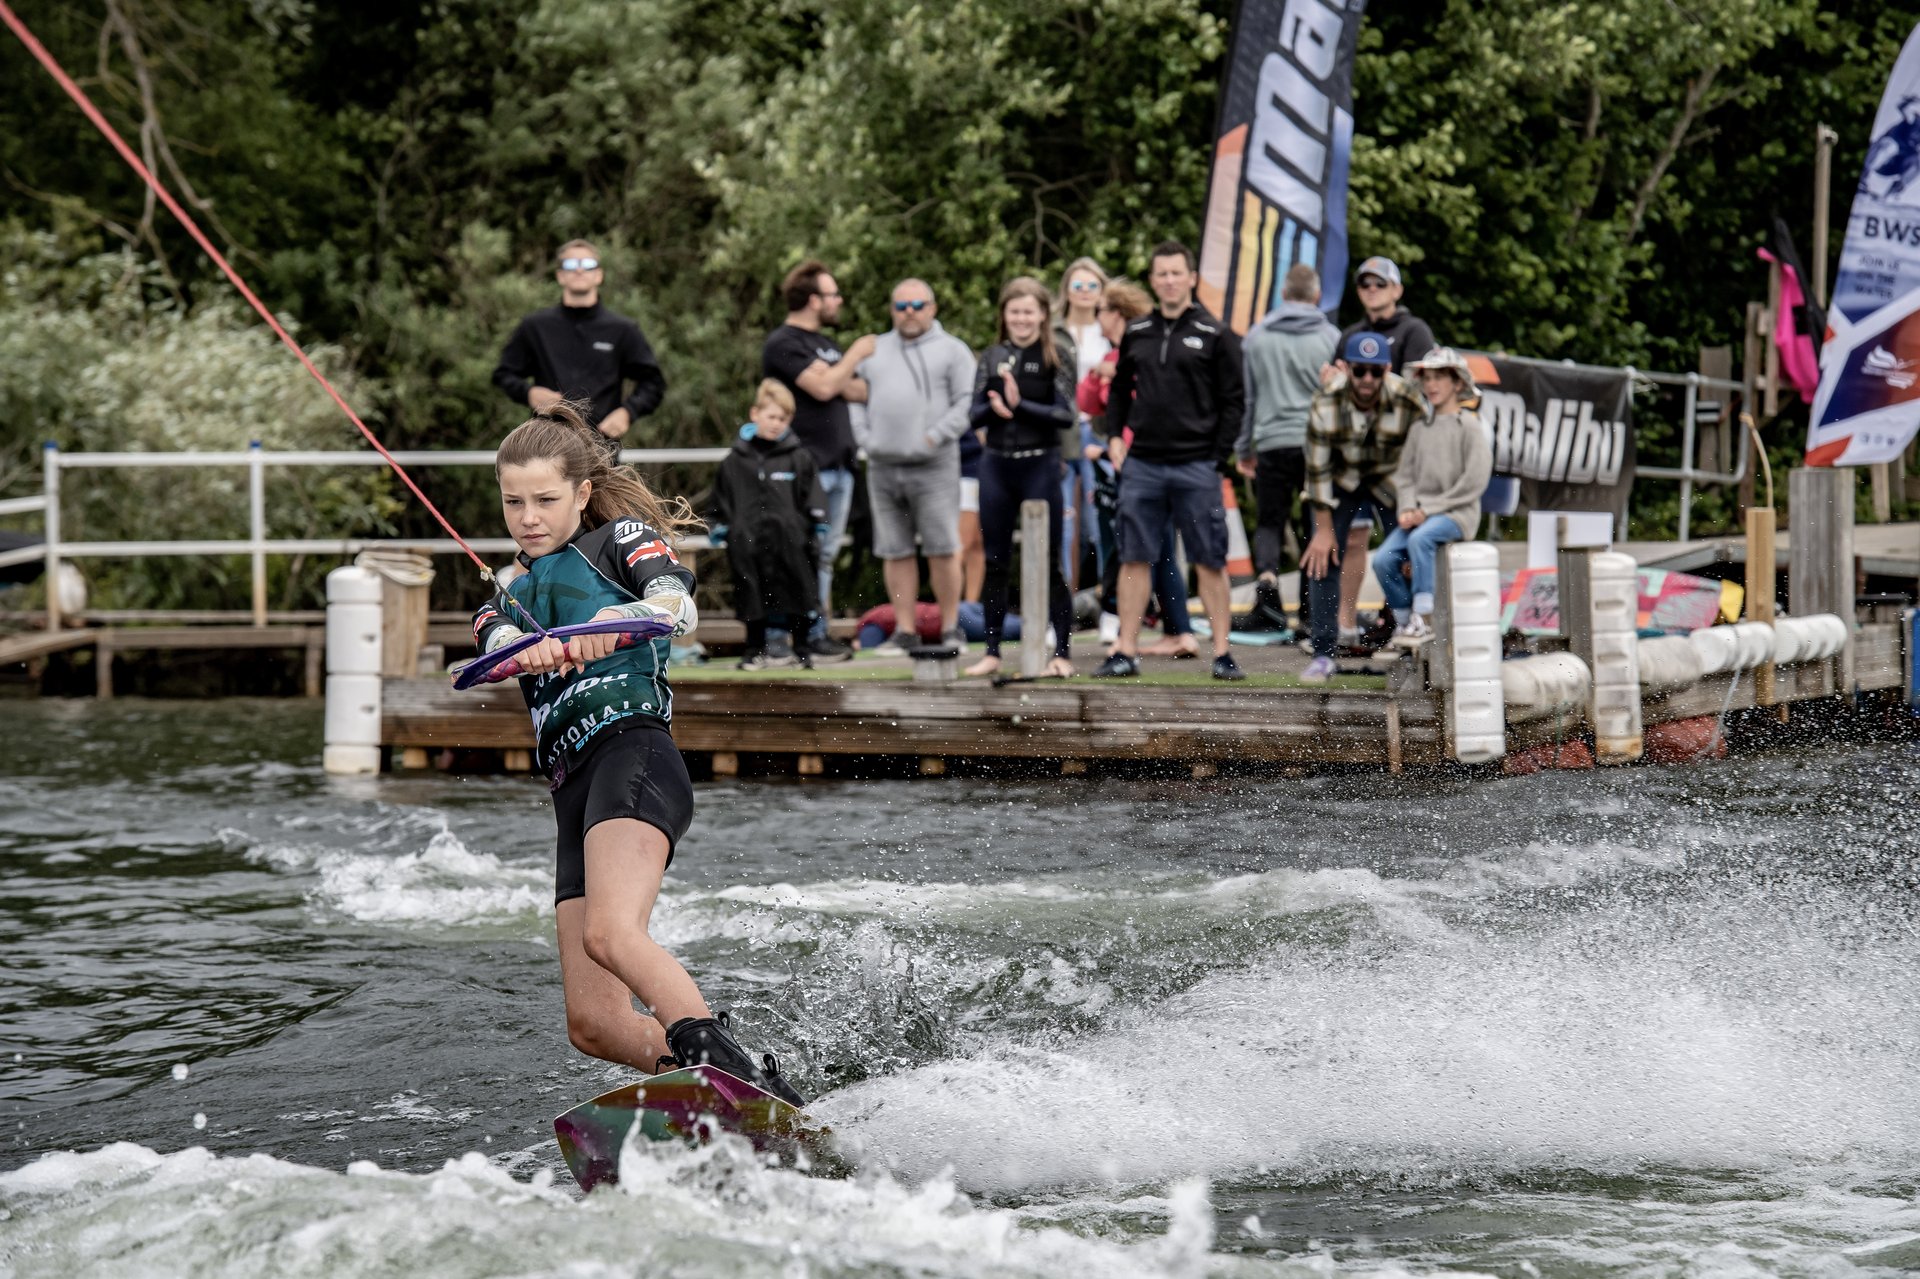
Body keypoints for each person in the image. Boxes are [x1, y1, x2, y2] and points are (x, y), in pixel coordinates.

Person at [470, 399, 802, 1106]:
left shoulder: (620, 538)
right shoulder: (506, 592)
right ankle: (732, 1090)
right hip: (572, 793)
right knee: (593, 1023)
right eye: (513, 502)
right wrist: (528, 649)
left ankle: (732, 1079)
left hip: (633, 755)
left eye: (545, 499)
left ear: (582, 492)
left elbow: (676, 606)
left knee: (613, 933)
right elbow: (490, 650)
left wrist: (611, 622)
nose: (528, 516)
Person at [1094, 240, 1246, 682]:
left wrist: (1217, 458)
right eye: (1161, 274)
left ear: (1192, 278)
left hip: (1196, 464)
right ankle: (1125, 649)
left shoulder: (1216, 334)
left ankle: (1222, 653)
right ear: (1153, 280)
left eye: (1176, 273)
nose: (1169, 280)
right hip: (1142, 463)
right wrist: (1114, 438)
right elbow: (1120, 389)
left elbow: (1234, 402)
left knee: (1210, 559)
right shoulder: (1138, 331)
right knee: (1134, 556)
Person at [850, 279, 977, 656]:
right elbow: (852, 397)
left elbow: (967, 402)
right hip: (883, 466)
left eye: (918, 305)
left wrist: (935, 436)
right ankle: (905, 631)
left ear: (932, 308)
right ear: (891, 309)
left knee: (942, 547)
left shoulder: (953, 350)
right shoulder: (873, 350)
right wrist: (865, 439)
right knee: (895, 550)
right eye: (901, 305)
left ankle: (952, 628)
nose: (909, 312)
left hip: (934, 465)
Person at [1299, 332, 1429, 684]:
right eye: (1360, 371)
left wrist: (1417, 508)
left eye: (1375, 371)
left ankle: (1418, 639)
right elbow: (1317, 471)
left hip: (1392, 480)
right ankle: (1324, 653)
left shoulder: (1407, 398)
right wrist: (1324, 531)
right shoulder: (1326, 401)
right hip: (1341, 481)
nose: (1367, 380)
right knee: (1321, 555)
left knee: (1415, 549)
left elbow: (1427, 457)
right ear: (1349, 370)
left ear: (1387, 369)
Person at [966, 276, 1077, 680]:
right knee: (995, 560)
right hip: (997, 465)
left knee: (1047, 561)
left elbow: (1066, 415)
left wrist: (1021, 404)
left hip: (1040, 465)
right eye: (1014, 312)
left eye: (1029, 311)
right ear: (1004, 316)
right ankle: (992, 650)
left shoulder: (1057, 355)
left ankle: (1062, 651)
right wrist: (994, 405)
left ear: (1043, 314)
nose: (1021, 319)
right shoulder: (991, 355)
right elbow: (973, 416)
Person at [1076, 278, 1195, 653]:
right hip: (1127, 463)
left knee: (1153, 547)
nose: (1097, 319)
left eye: (1100, 311)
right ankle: (1177, 630)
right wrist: (1099, 375)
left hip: (1150, 459)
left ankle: (1177, 631)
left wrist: (1115, 372)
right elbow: (1088, 405)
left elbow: (1157, 397)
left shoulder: (1144, 348)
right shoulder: (1117, 355)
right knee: (1151, 547)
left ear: (1117, 313)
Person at [761, 260, 872, 662]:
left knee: (824, 554)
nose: (838, 300)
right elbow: (826, 388)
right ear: (813, 300)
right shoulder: (783, 342)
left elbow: (859, 390)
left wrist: (836, 374)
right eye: (833, 294)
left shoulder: (827, 345)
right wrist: (853, 358)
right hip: (804, 467)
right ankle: (784, 636)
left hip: (842, 465)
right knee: (794, 551)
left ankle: (816, 631)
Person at [1234, 263, 1340, 634]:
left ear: (1283, 295)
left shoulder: (1256, 337)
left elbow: (1249, 399)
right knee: (1317, 521)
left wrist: (1244, 447)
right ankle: (1313, 610)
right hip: (1317, 445)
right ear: (1315, 296)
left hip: (1273, 441)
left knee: (1269, 521)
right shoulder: (1330, 336)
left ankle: (1268, 593)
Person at [492, 240, 667, 450]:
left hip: (602, 447)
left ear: (599, 275)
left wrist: (627, 412)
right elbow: (504, 374)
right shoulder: (535, 327)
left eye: (587, 264)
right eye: (570, 265)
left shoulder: (623, 329)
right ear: (560, 275)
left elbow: (653, 383)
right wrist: (528, 393)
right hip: (547, 446)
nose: (579, 270)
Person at [1371, 347, 1492, 646]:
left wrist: (1428, 510)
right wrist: (1409, 507)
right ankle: (1403, 622)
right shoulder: (1418, 429)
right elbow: (1406, 477)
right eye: (1428, 378)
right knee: (1383, 559)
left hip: (1457, 515)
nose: (1432, 385)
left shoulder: (1471, 427)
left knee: (1420, 540)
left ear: (1457, 383)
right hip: (1421, 515)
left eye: (1440, 377)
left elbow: (1473, 483)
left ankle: (1424, 617)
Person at [709, 380, 831, 670]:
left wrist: (817, 524)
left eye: (783, 419)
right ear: (755, 414)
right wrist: (719, 525)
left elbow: (813, 496)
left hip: (792, 543)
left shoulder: (799, 458)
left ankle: (802, 650)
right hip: (747, 541)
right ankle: (754, 650)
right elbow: (720, 499)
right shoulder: (734, 461)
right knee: (750, 593)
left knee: (799, 591)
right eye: (771, 416)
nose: (776, 424)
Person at [1055, 258, 1112, 586]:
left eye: (1093, 286)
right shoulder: (1053, 331)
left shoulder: (1109, 332)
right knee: (1062, 524)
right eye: (1079, 286)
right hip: (1061, 431)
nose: (1086, 292)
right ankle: (1060, 608)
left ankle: (1110, 605)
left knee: (1100, 521)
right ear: (1067, 291)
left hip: (1098, 432)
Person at [1339, 256, 1435, 375]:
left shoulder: (1414, 331)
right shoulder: (1349, 334)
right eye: (1365, 284)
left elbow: (1420, 384)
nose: (1372, 289)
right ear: (1358, 290)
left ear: (1397, 290)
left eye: (1381, 283)